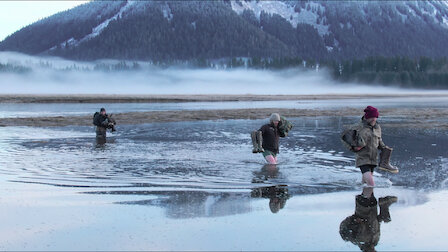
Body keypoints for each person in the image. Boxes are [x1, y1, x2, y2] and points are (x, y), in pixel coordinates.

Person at [343, 106, 398, 187]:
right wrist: (353, 147)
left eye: (375, 117)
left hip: (373, 158)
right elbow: (345, 138)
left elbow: (379, 140)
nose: (374, 119)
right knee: (371, 184)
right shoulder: (358, 128)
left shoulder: (377, 127)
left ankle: (362, 196)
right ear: (367, 117)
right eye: (372, 117)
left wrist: (384, 148)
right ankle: (368, 196)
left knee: (365, 183)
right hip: (362, 158)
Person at [339, 187, 397, 252]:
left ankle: (383, 202)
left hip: (363, 209)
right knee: (369, 186)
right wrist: (384, 216)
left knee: (368, 186)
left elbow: (343, 230)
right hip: (373, 209)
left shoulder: (357, 240)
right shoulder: (375, 241)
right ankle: (384, 204)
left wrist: (353, 219)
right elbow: (377, 222)